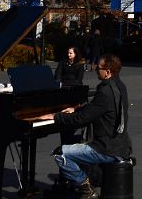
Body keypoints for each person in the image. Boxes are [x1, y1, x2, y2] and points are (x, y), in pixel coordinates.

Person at [50, 53, 132, 199]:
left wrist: (56, 116)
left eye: (98, 68)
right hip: (121, 145)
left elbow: (80, 120)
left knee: (60, 153)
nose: (95, 70)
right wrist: (77, 109)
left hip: (106, 148)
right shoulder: (120, 86)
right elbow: (95, 109)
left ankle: (87, 189)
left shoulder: (105, 92)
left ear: (107, 72)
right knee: (73, 144)